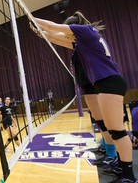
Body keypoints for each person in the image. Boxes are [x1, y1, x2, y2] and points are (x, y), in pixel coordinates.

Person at [31, 11, 136, 182]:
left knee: (117, 131)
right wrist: (41, 33)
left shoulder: (85, 30)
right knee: (112, 129)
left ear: (74, 27)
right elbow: (57, 37)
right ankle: (121, 165)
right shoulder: (82, 42)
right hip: (104, 84)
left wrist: (31, 18)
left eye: (68, 31)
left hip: (109, 82)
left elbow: (53, 28)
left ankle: (129, 176)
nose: (67, 35)